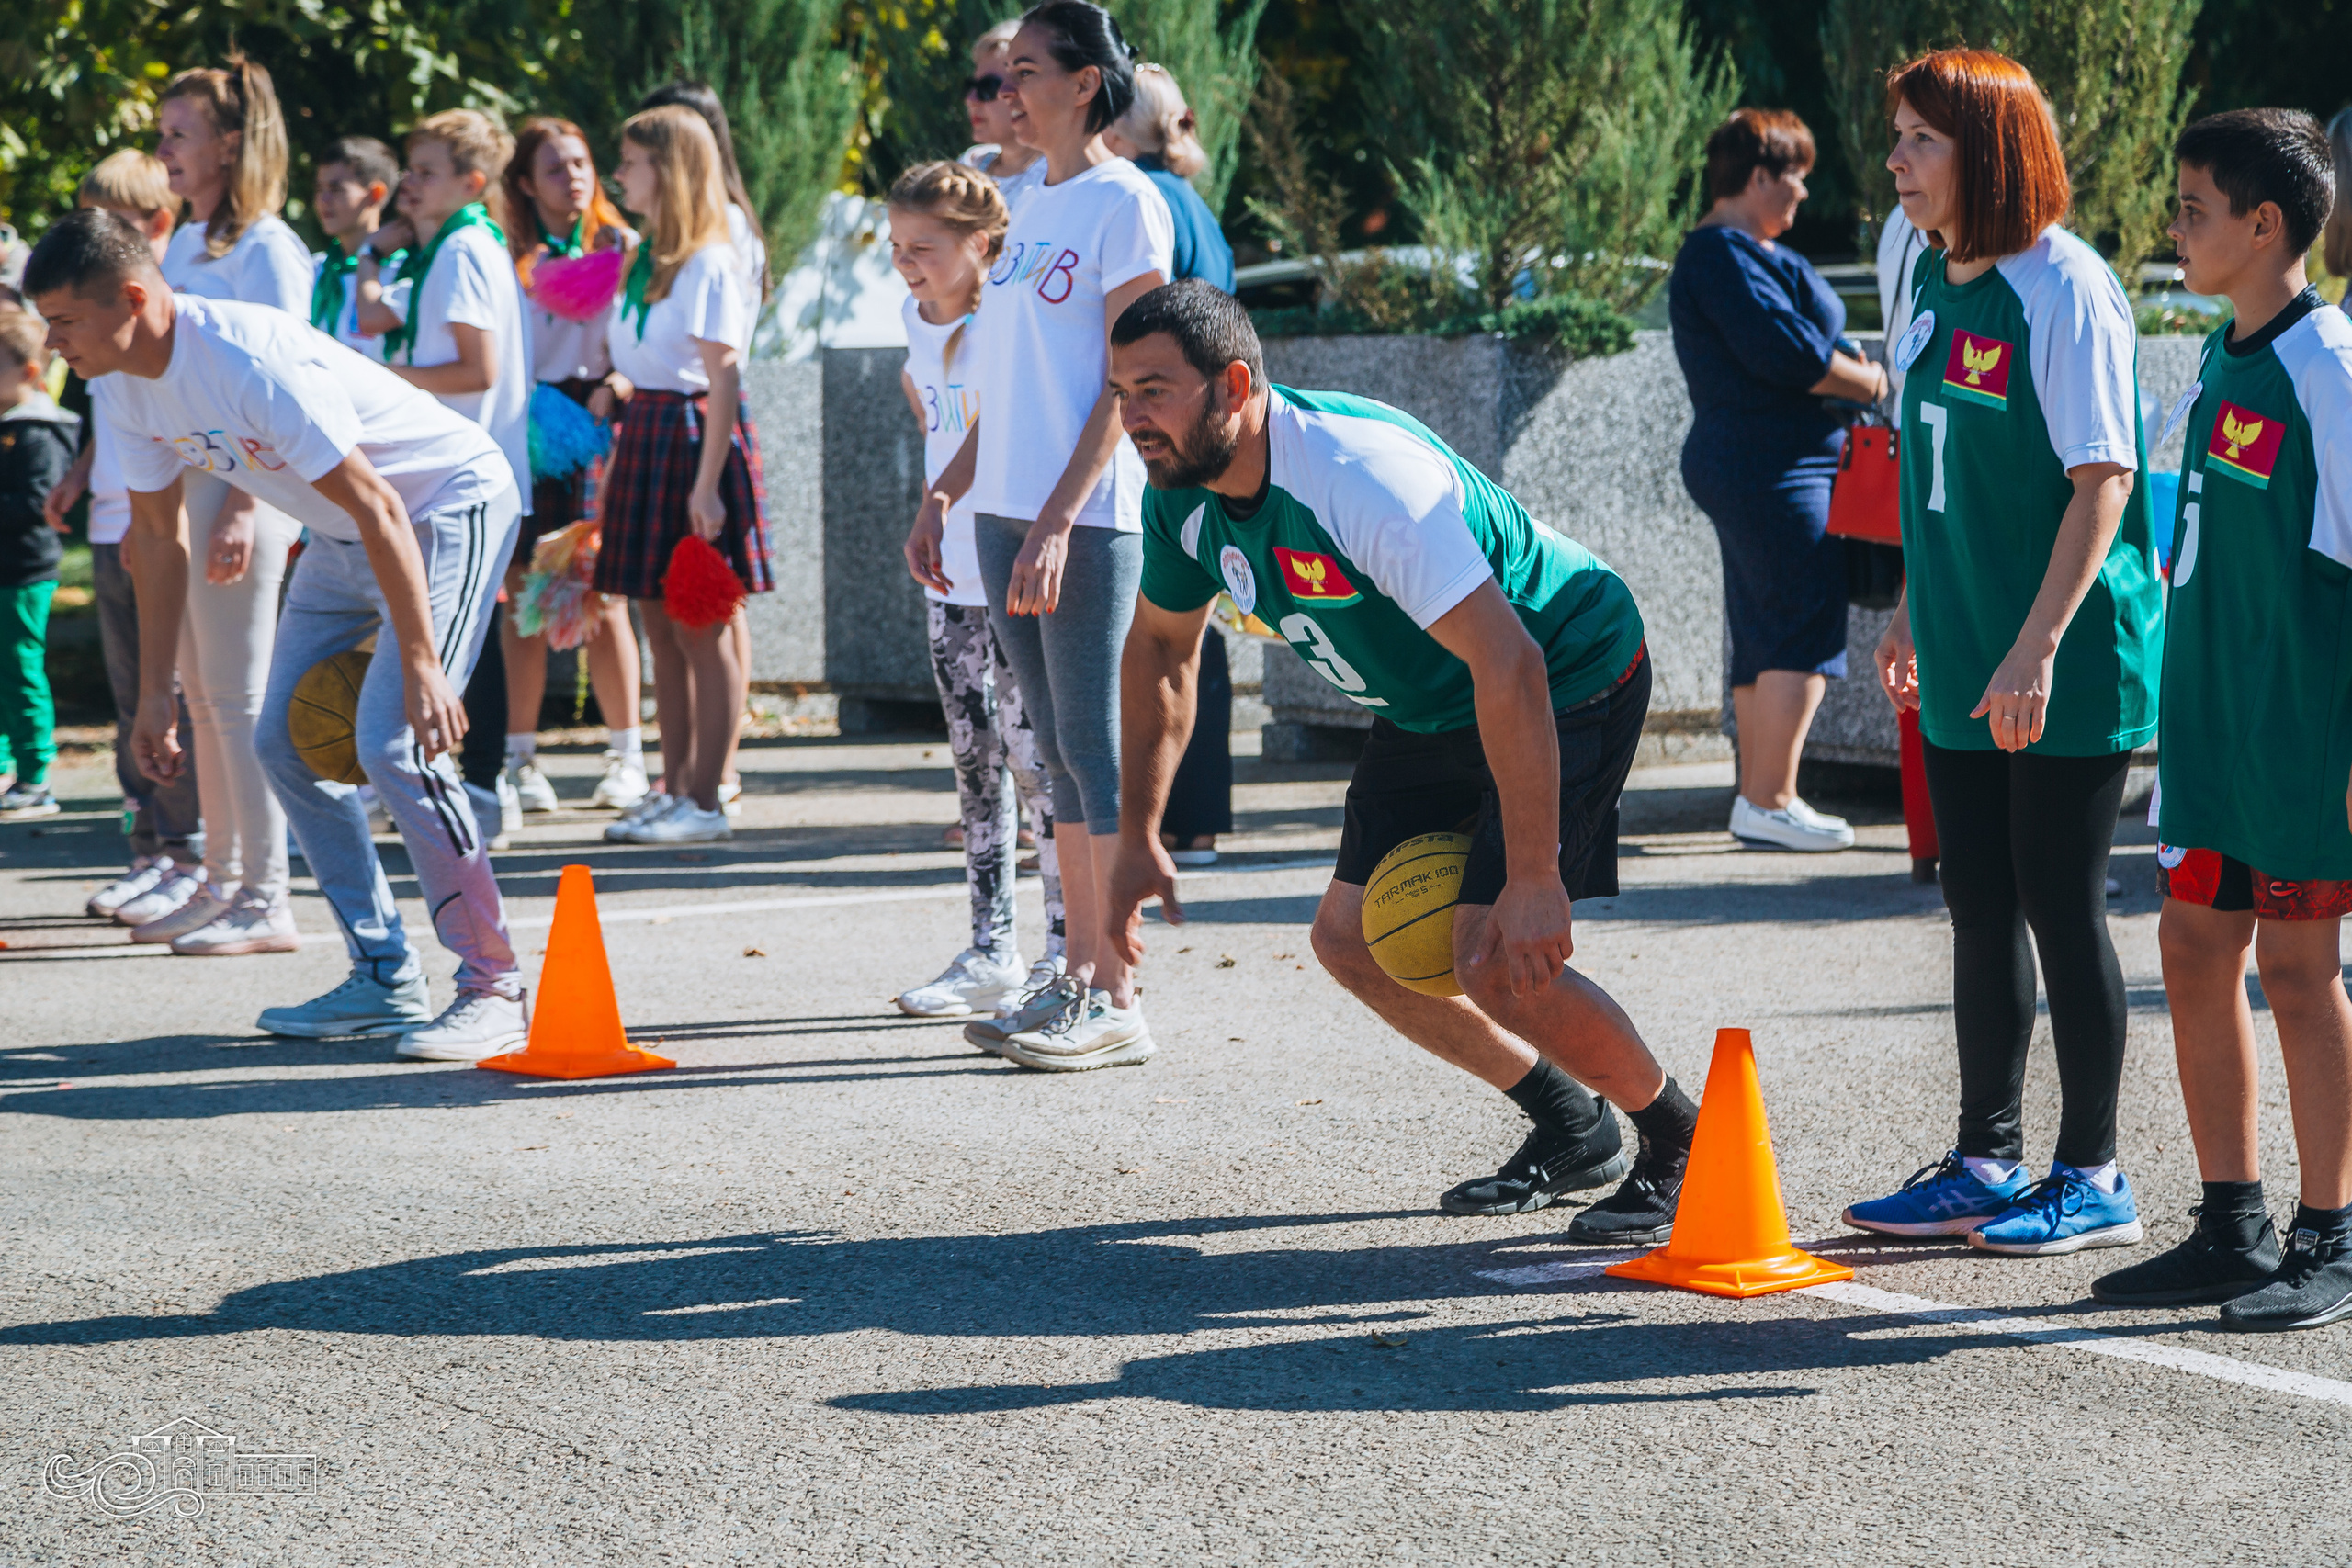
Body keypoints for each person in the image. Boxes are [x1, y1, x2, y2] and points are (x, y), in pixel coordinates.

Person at [1103, 281, 1695, 1235]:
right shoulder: (1181, 498)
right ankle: (1568, 1121)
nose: (1132, 417)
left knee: (1499, 960)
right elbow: (1162, 652)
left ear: (1233, 386)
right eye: (1120, 392)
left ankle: (1684, 1143)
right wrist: (1137, 832)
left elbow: (1509, 663)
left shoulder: (1352, 475)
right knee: (1347, 944)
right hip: (1431, 703)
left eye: (1155, 390)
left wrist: (1537, 877)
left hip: (1564, 664)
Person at [28, 209, 527, 1055]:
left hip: (444, 505)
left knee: (395, 745)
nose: (52, 345)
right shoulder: (118, 384)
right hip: (341, 536)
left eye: (65, 321)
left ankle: (497, 987)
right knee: (281, 745)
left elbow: (381, 504)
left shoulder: (247, 359)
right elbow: (157, 539)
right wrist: (157, 696)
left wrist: (421, 661)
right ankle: (382, 975)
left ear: (133, 298)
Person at [1848, 50, 2163, 1256]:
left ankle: (2095, 1173)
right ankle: (1987, 1156)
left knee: (2058, 901)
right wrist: (1915, 608)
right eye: (1898, 137)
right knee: (1976, 899)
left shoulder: (2066, 288)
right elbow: (1928, 455)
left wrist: (2033, 647)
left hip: (2063, 655)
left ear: (1988, 154)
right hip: (1963, 635)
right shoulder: (1907, 254)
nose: (1897, 161)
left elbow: (2104, 482)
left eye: (1920, 140)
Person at [2093, 111, 2352, 1330]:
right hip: (2213, 732)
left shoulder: (2329, 364)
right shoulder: (2219, 354)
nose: (2175, 227)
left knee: (2301, 973)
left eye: (2194, 207)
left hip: (2300, 735)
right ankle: (2231, 1222)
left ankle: (2331, 1230)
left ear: (2265, 224)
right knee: (2197, 950)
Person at [919, 0, 1173, 1070]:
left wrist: (1063, 517)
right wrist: (948, 491)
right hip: (1002, 510)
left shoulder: (1128, 204)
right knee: (1058, 760)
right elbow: (1001, 382)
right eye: (1005, 71)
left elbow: (1135, 378)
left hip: (1087, 515)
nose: (1006, 89)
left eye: (1026, 70)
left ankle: (1117, 993)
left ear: (1083, 84)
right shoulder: (1022, 200)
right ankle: (1072, 975)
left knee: (1092, 751)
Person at [1668, 109, 1883, 855]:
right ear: (1757, 174)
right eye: (1794, 176)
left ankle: (1759, 800)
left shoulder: (1737, 250)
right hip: (1774, 463)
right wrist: (1875, 381)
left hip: (1764, 459)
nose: (1802, 195)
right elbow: (1789, 354)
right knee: (1800, 621)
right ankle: (1773, 797)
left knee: (1765, 627)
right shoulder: (1721, 254)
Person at [141, 55, 314, 955]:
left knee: (239, 698)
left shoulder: (266, 247)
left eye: (180, 133)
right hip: (195, 483)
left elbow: (289, 386)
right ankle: (224, 879)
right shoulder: (185, 243)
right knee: (207, 698)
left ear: (231, 142)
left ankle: (269, 899)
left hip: (246, 487)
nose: (163, 148)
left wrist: (247, 506)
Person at [888, 161, 1068, 1019]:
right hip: (948, 574)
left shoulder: (1009, 318)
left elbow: (998, 422)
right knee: (973, 758)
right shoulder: (915, 318)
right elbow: (930, 405)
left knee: (1038, 761)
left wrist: (942, 495)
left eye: (923, 247)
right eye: (895, 246)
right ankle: (993, 945)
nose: (906, 262)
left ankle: (1064, 949)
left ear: (980, 245)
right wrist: (934, 501)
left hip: (1008, 563)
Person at [352, 110, 534, 851]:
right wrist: (371, 253)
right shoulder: (438, 251)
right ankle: (462, 780)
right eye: (408, 167)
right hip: (445, 471)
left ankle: (485, 785)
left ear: (472, 183)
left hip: (463, 473)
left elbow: (475, 369)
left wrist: (381, 384)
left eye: (425, 172)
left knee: (466, 631)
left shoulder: (462, 250)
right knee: (443, 626)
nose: (407, 183)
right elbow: (371, 315)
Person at [593, 106, 771, 846]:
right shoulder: (649, 256)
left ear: (668, 168)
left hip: (693, 437)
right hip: (649, 432)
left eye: (632, 162)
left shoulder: (709, 259)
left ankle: (705, 799)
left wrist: (706, 486)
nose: (620, 174)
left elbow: (722, 377)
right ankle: (675, 788)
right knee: (657, 623)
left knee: (703, 624)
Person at [43, 151, 206, 919]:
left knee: (170, 694)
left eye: (114, 221)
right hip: (112, 524)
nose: (93, 236)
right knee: (130, 698)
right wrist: (79, 472)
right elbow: (118, 424)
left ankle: (187, 850)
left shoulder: (156, 317)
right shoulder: (97, 336)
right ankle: (146, 846)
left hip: (154, 529)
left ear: (159, 225)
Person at [1103, 61, 1235, 867]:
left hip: (1173, 437)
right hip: (1205, 427)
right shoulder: (1193, 203)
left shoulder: (1140, 200)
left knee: (1174, 633)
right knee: (1198, 626)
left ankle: (1178, 814)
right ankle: (1199, 816)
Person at [501, 117, 648, 817]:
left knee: (604, 588)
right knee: (525, 592)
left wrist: (615, 386)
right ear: (527, 183)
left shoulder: (622, 248)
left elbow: (642, 341)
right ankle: (520, 759)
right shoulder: (508, 255)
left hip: (595, 426)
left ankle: (627, 754)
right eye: (555, 168)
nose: (575, 177)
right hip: (525, 430)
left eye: (583, 162)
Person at [0, 311, 78, 818]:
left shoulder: (37, 432)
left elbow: (37, 503)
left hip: (23, 574)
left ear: (29, 372)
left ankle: (35, 778)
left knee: (21, 670)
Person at [310, 136, 401, 361]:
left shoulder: (400, 272)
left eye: (336, 189)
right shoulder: (315, 268)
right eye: (319, 189)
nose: (324, 199)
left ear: (375, 194)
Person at [958, 20, 1046, 208]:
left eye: (988, 87)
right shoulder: (971, 164)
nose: (971, 99)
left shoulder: (1053, 178)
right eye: (971, 86)